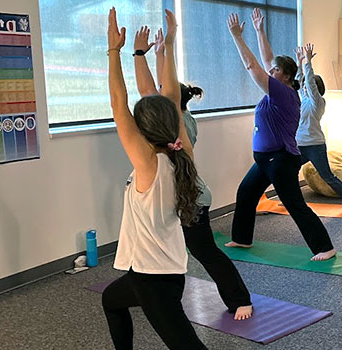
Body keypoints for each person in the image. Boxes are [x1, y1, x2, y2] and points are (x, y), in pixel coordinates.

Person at [130, 26, 253, 320]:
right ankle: (157, 297)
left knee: (205, 251)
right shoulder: (171, 115)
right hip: (171, 197)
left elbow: (155, 91)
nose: (157, 93)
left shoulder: (180, 121)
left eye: (164, 91)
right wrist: (153, 53)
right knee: (158, 248)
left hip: (190, 198)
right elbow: (153, 91)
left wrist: (155, 50)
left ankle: (240, 299)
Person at [101, 8, 207, 349]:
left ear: (143, 131)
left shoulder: (149, 165)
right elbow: (172, 99)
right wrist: (169, 45)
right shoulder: (182, 154)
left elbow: (119, 103)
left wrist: (113, 51)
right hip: (164, 270)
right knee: (111, 301)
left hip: (154, 279)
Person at [224, 9, 336, 261]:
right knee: (246, 193)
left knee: (294, 204)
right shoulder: (277, 89)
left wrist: (237, 37)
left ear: (285, 76)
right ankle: (242, 239)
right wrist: (259, 31)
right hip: (265, 160)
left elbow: (253, 65)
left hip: (281, 159)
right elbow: (266, 61)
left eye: (275, 70)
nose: (271, 71)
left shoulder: (284, 94)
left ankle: (324, 247)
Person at [293, 43, 342, 211]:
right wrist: (299, 62)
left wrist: (308, 62)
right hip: (299, 145)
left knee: (327, 176)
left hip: (315, 146)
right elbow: (302, 81)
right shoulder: (304, 100)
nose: (305, 89)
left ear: (315, 89)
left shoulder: (318, 103)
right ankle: (294, 202)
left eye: (308, 87)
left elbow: (309, 82)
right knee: (289, 173)